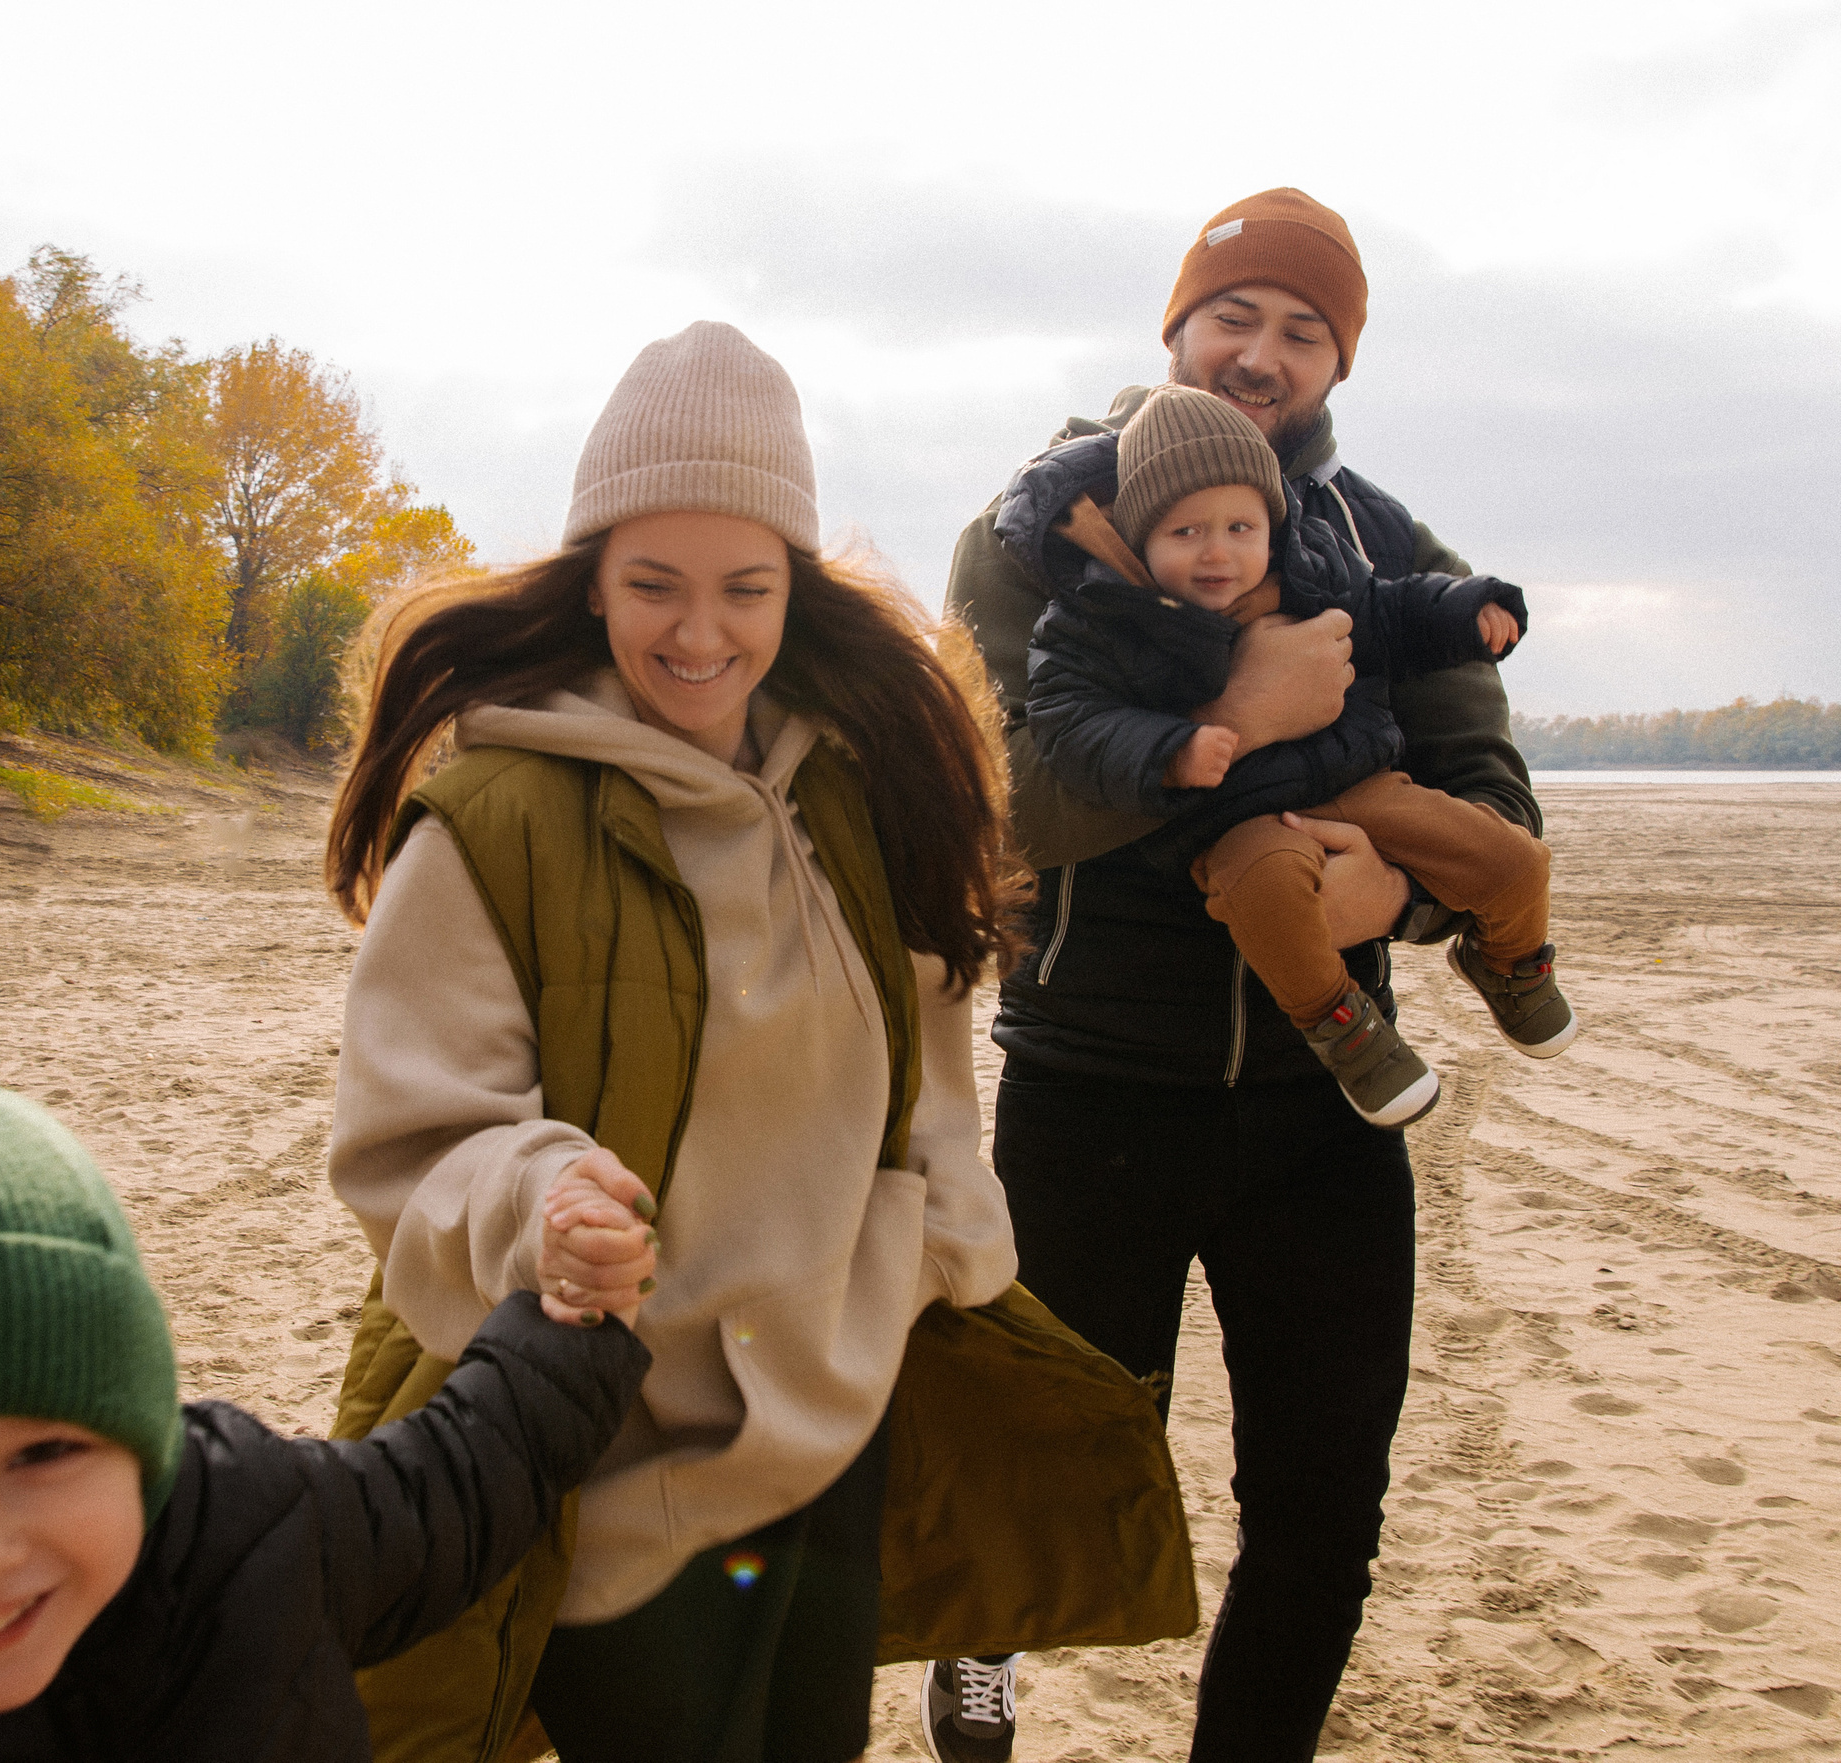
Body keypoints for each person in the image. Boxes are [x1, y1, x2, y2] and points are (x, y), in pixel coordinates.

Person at [325, 319, 1031, 1763]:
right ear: (592, 577)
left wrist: (941, 1248)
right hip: (612, 1451)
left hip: (833, 1422)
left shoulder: (861, 795)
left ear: (795, 588)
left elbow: (934, 1069)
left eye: (744, 587)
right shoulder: (493, 824)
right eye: (653, 582)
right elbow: (411, 1136)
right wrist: (541, 1198)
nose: (698, 631)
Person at [925, 188, 1544, 1763]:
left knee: (1327, 1502)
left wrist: (1392, 886)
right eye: (1234, 317)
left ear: (1339, 360)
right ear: (1175, 329)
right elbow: (1004, 799)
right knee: (1052, 1442)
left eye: (1302, 330)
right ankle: (981, 1645)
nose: (1261, 353)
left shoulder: (1389, 549)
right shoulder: (1036, 532)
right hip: (1092, 1080)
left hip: (1320, 1106)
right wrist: (1254, 710)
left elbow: (1492, 799)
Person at [0, 1075, 653, 1762]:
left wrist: (575, 1320)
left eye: (45, 1450)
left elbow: (449, 1485)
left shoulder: (244, 1525)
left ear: (139, 1437)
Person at [1020, 383, 1573, 1129]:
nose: (1217, 551)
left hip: (1353, 781)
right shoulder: (1098, 610)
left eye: (1240, 527)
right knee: (1269, 889)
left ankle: (1509, 961)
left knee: (1510, 858)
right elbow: (1064, 726)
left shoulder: (1327, 560)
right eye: (1185, 533)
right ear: (1140, 536)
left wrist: (1468, 613)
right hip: (1221, 829)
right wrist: (1185, 743)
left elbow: (1395, 614)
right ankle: (1340, 1024)